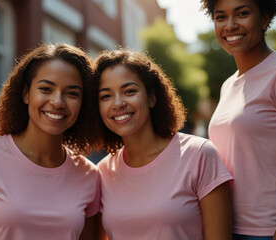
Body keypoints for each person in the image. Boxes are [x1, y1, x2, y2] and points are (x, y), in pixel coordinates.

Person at [0, 43, 101, 240]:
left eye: (72, 93)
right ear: (26, 93)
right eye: (46, 89)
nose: (58, 102)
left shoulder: (88, 176)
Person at [94, 49, 233, 240]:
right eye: (105, 96)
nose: (118, 103)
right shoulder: (102, 173)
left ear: (151, 97)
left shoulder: (198, 155)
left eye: (129, 91)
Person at [200, 0, 276, 239]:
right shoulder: (228, 85)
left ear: (265, 18)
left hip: (275, 230)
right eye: (220, 17)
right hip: (230, 228)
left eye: (242, 14)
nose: (230, 25)